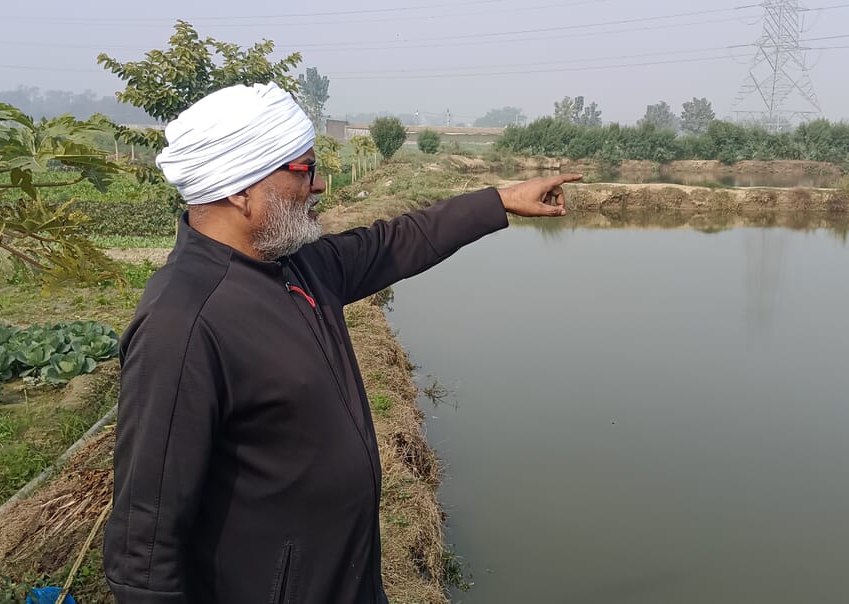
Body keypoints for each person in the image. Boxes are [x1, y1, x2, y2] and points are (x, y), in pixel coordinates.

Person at [102, 82, 580, 603]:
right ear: (239, 188)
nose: (322, 185)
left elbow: (397, 240)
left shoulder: (292, 265)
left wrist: (500, 201)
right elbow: (143, 546)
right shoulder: (185, 323)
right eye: (304, 170)